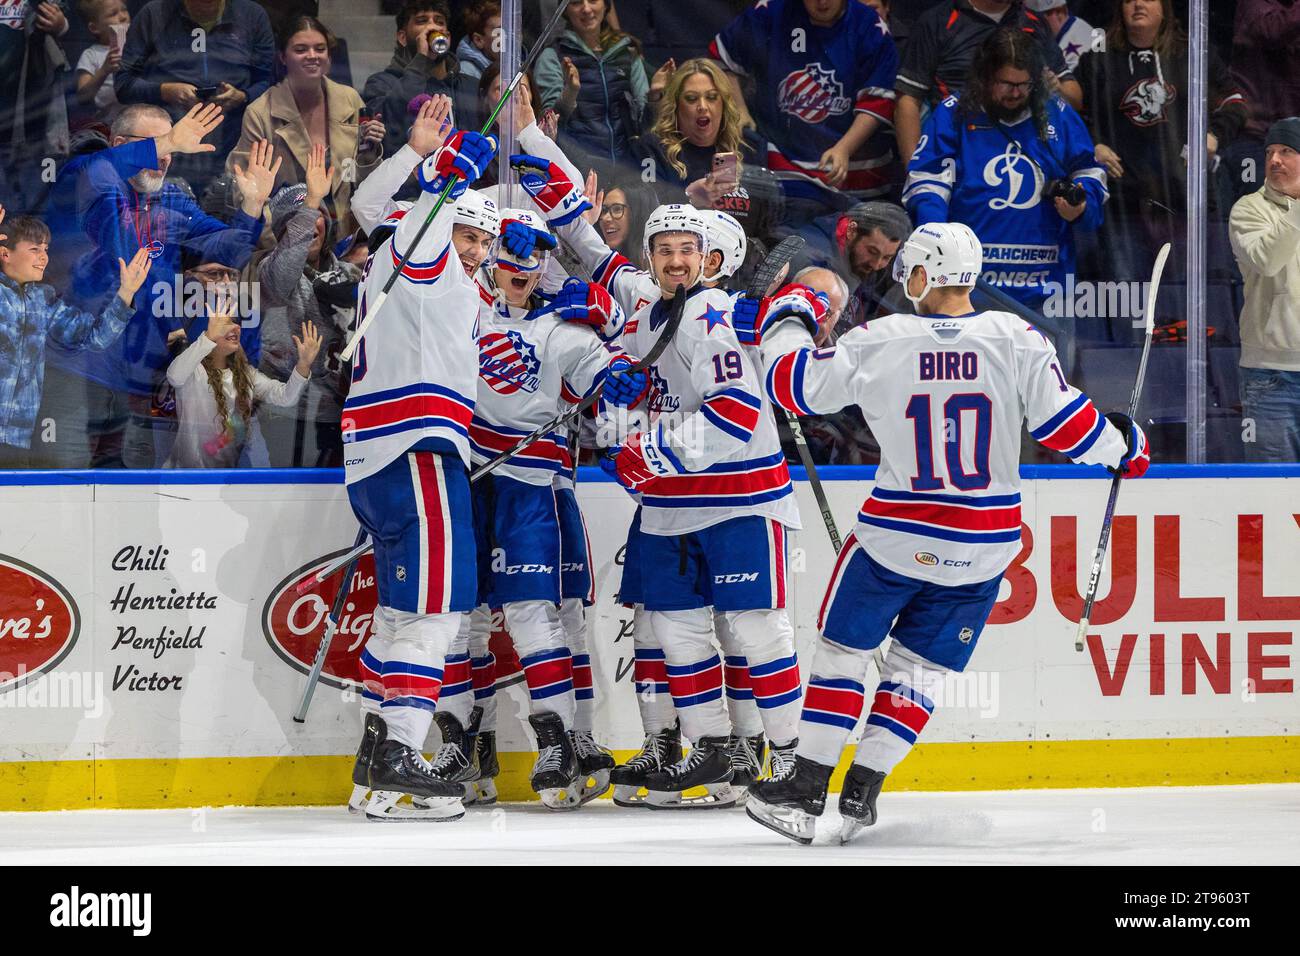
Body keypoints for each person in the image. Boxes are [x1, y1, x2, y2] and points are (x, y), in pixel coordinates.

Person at [740, 221, 1150, 844]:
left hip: (896, 537)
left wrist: (791, 313)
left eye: (910, 268)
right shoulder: (1017, 336)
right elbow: (1070, 429)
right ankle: (864, 789)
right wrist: (1126, 445)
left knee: (845, 658)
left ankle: (803, 792)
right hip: (983, 548)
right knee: (920, 671)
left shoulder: (882, 339)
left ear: (926, 273)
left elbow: (791, 386)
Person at [596, 204, 807, 807]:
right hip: (670, 508)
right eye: (664, 249)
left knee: (758, 629)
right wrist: (618, 421)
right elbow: (633, 412)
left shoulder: (712, 314)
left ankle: (789, 758)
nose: (676, 259)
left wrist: (653, 452)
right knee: (678, 632)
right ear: (650, 258)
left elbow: (735, 416)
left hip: (741, 498)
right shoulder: (644, 318)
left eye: (687, 249)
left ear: (708, 259)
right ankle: (712, 752)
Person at [341, 121, 497, 822]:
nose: (476, 250)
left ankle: (375, 769)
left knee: (400, 614)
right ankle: (403, 752)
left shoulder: (437, 286)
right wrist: (441, 181)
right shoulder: (417, 257)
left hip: (381, 460)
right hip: (417, 455)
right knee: (437, 615)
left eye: (483, 241)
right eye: (469, 235)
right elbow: (416, 237)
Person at [37, 103, 276, 470]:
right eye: (157, 144)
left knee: (142, 492)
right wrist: (166, 141)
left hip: (142, 372)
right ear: (119, 144)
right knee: (70, 485)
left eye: (171, 149)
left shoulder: (174, 202)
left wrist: (252, 206)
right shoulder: (86, 177)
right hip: (79, 368)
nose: (166, 156)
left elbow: (230, 249)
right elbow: (100, 169)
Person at [902, 28, 1106, 315]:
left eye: (1025, 84)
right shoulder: (954, 113)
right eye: (1006, 83)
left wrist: (1083, 205)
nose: (1016, 93)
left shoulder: (1057, 114)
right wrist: (939, 242)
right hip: (968, 290)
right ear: (985, 77)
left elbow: (1090, 172)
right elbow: (926, 182)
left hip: (1046, 291)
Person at [1075, 0, 1246, 293]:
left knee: (1192, 296)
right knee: (1126, 297)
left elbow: (1234, 102)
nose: (1138, 4)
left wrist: (1213, 136)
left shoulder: (1192, 53)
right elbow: (1073, 113)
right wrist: (1093, 145)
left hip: (1184, 197)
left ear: (1165, 8)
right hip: (1123, 201)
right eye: (1129, 0)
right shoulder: (1099, 58)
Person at [709, 0, 900, 218]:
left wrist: (845, 148)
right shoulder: (771, 12)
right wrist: (740, 111)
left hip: (852, 182)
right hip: (779, 171)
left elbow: (877, 100)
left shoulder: (867, 25)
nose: (822, 2)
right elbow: (723, 60)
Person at [0, 210, 150, 468]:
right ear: (5, 254)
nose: (43, 257)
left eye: (46, 249)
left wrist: (125, 293)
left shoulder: (43, 299)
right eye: (35, 249)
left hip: (17, 442)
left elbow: (95, 338)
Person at [226, 16, 385, 236]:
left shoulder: (350, 100)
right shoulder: (260, 113)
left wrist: (369, 155)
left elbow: (365, 185)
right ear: (283, 57)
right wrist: (282, 241)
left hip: (344, 241)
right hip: (283, 241)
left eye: (320, 49)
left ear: (329, 56)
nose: (312, 56)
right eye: (301, 49)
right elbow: (243, 192)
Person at [255, 149, 361, 468]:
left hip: (337, 408)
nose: (311, 224)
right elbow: (287, 267)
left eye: (317, 216)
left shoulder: (349, 274)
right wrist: (312, 200)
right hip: (287, 410)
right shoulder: (270, 270)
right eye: (296, 219)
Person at [894, 0, 1082, 166]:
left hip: (1029, 154)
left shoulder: (1034, 22)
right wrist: (916, 174)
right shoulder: (938, 21)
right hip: (960, 152)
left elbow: (1075, 99)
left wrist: (1055, 88)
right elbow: (908, 99)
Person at [115, 0, 276, 192]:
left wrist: (243, 96)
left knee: (226, 213)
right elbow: (123, 84)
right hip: (169, 146)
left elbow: (271, 82)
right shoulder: (154, 14)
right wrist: (165, 91)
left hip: (234, 141)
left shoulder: (251, 15)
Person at [640, 57, 784, 243]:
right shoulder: (654, 149)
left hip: (744, 261)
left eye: (712, 97)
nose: (702, 106)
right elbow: (644, 215)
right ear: (676, 106)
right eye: (691, 98)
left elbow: (768, 224)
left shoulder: (749, 149)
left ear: (723, 103)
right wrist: (690, 197)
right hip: (682, 257)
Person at [164, 302, 319, 468]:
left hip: (227, 480)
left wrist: (303, 365)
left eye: (235, 322)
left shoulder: (245, 374)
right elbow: (174, 376)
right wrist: (209, 337)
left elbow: (285, 397)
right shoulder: (194, 372)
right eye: (225, 324)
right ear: (204, 332)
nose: (236, 327)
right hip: (186, 479)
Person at [1229, 117, 1300, 463]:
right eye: (1270, 152)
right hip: (1270, 377)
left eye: (1287, 151)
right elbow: (1268, 260)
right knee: (1272, 493)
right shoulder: (1248, 209)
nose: (1274, 160)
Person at [533, 0, 649, 167]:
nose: (586, 9)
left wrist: (656, 98)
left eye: (593, 0)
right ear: (565, 11)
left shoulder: (628, 53)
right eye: (576, 3)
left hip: (627, 169)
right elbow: (546, 129)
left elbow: (645, 119)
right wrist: (570, 93)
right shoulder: (552, 56)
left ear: (606, 5)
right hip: (577, 170)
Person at [362, 0, 478, 161]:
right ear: (402, 37)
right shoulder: (381, 83)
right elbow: (388, 129)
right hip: (410, 182)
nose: (433, 28)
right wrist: (421, 60)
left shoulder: (471, 85)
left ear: (448, 37)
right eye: (422, 21)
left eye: (439, 22)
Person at [794, 200, 911, 328]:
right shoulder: (808, 257)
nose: (876, 264)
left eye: (887, 257)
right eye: (872, 251)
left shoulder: (867, 265)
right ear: (851, 230)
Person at [0, 1, 70, 212]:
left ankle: (29, 224)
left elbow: (61, 21)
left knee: (35, 165)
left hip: (32, 84)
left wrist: (60, 25)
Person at [74, 0, 129, 123]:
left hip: (136, 119)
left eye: (124, 9)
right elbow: (83, 97)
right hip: (106, 123)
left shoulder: (137, 47)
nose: (123, 17)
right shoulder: (91, 55)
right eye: (113, 13)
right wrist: (104, 70)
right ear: (94, 27)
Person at [1025, 0, 1096, 72]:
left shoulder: (1077, 41)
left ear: (1058, 13)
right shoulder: (1075, 28)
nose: (1033, 24)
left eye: (1038, 18)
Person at [455, 0, 500, 84]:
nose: (511, 37)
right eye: (500, 32)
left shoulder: (522, 67)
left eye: (515, 30)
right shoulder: (466, 73)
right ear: (479, 40)